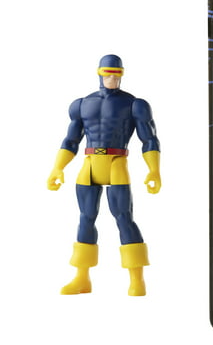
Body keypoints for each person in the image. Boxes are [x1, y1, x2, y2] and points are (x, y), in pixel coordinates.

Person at [47, 55, 162, 296]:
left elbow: (149, 139)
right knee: (86, 218)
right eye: (107, 73)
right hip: (89, 163)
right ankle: (81, 278)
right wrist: (58, 168)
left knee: (123, 217)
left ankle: (137, 279)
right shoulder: (82, 104)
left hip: (116, 162)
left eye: (116, 73)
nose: (112, 78)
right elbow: (71, 140)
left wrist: (154, 169)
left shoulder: (134, 104)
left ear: (122, 74)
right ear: (99, 73)